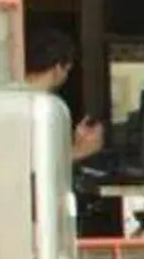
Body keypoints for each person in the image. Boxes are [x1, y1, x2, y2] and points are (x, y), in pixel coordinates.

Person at [21, 27, 102, 163]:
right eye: (68, 69)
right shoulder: (46, 109)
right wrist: (83, 149)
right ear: (59, 67)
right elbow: (38, 165)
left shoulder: (9, 99)